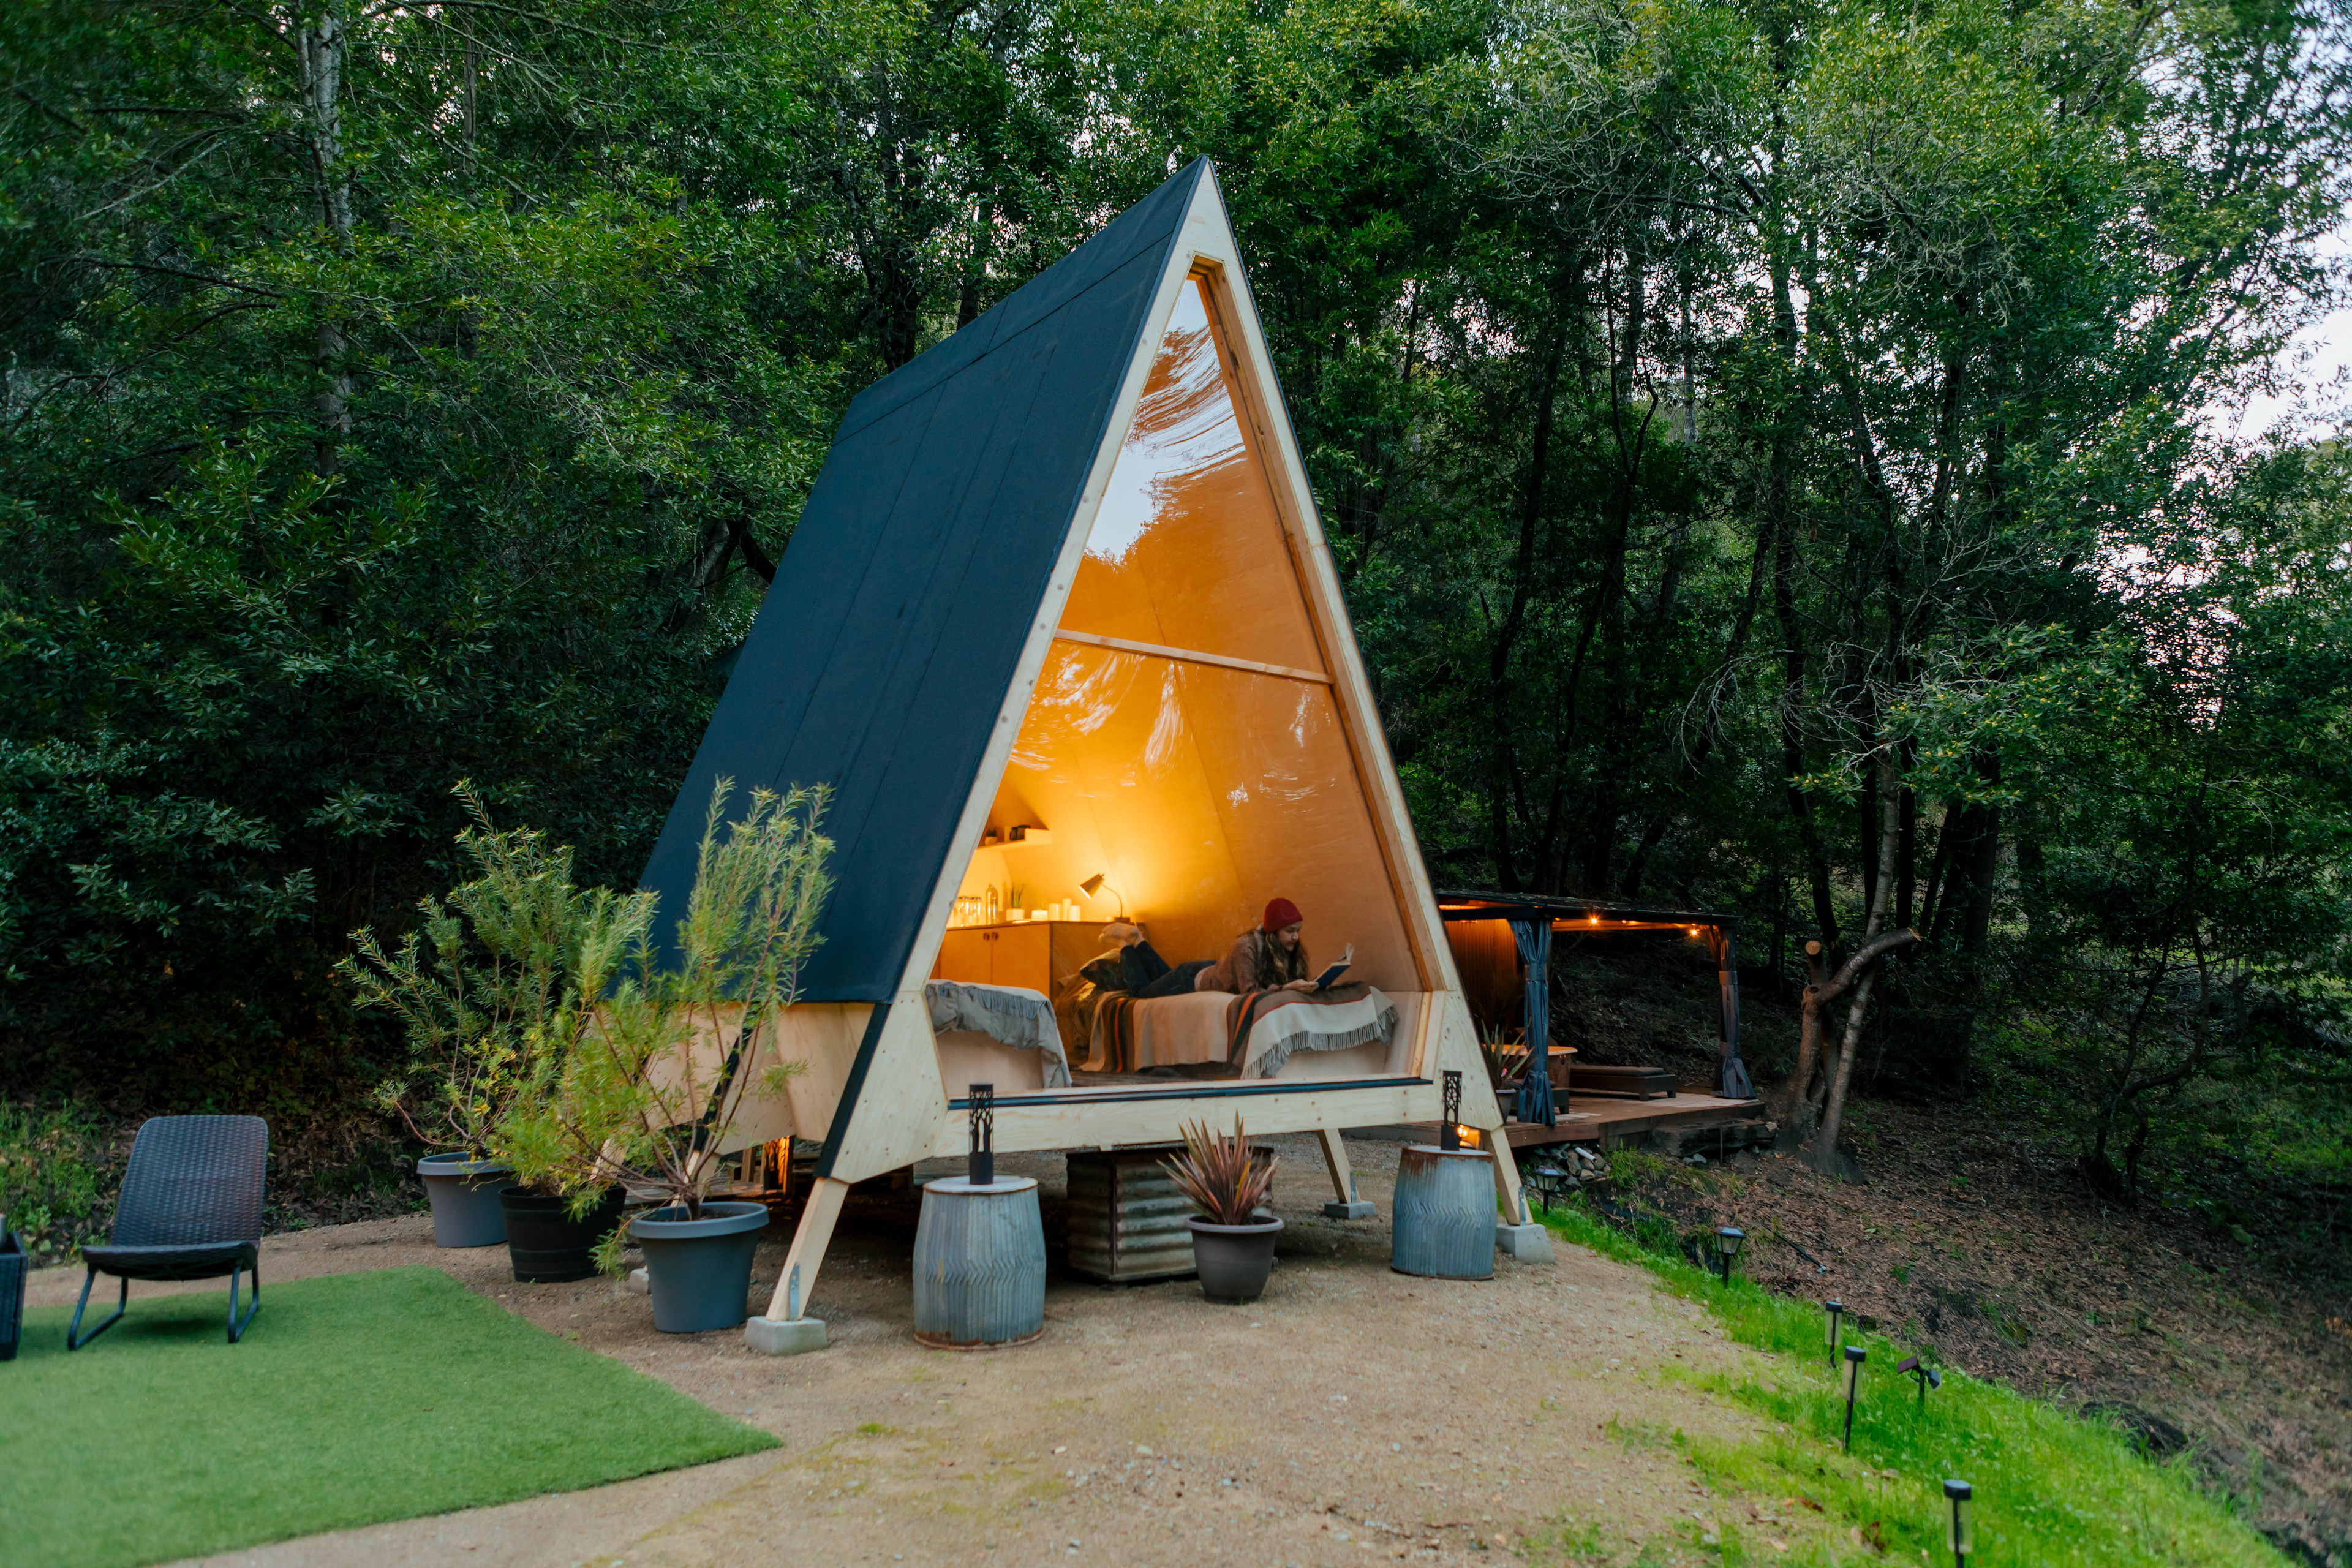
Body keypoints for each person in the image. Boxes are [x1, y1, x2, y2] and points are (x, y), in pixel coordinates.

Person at [1194, 897, 1317, 995]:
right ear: (1274, 932)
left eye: (1298, 931)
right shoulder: (1245, 946)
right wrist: (1285, 989)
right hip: (1198, 980)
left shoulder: (1286, 945)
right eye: (1290, 931)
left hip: (1221, 967)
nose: (1296, 937)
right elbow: (1249, 992)